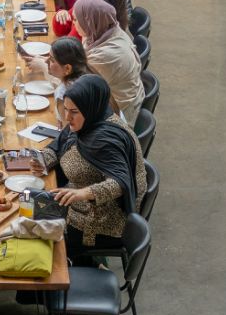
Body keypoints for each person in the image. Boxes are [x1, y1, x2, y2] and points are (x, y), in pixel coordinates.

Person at [29, 74, 146, 266]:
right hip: (79, 200)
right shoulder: (90, 120)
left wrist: (83, 193)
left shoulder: (105, 141)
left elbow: (120, 183)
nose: (67, 117)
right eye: (66, 110)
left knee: (36, 232)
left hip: (103, 221)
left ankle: (48, 289)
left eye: (73, 111)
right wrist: (44, 161)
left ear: (89, 107)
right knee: (29, 208)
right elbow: (59, 144)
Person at [73, 0, 144, 126]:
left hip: (117, 120)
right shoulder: (105, 31)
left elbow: (75, 90)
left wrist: (46, 68)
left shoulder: (105, 56)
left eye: (76, 19)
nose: (74, 23)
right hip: (119, 103)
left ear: (88, 21)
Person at [23, 37, 97, 127]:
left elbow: (69, 131)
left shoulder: (64, 93)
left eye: (52, 60)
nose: (46, 61)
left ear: (67, 68)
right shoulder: (91, 75)